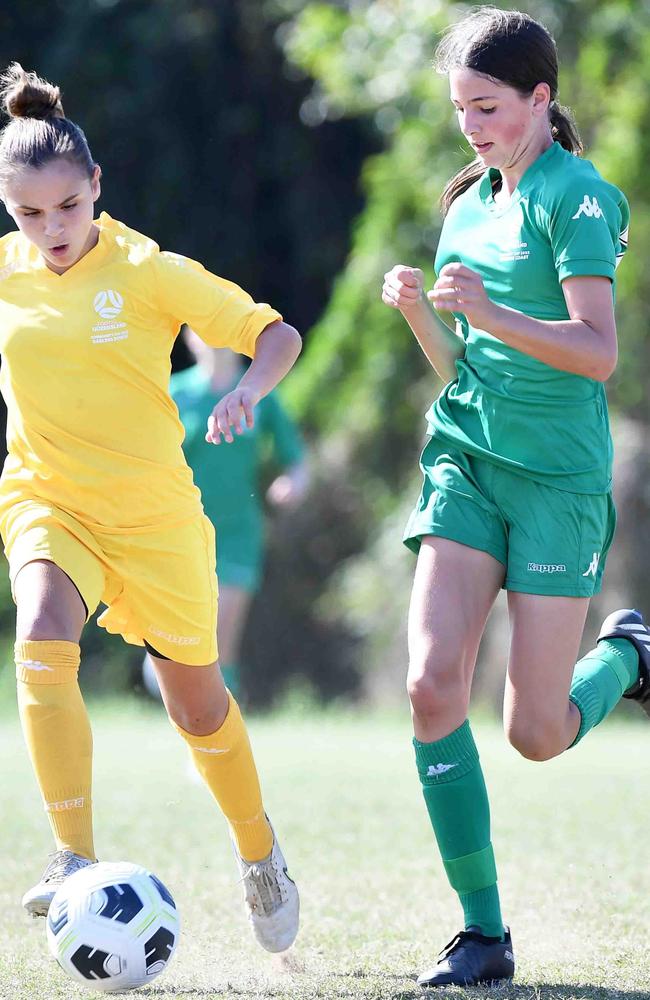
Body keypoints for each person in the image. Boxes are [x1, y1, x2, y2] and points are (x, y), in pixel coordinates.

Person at [0, 63, 302, 954]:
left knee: (197, 708)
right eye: (28, 213)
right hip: (48, 499)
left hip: (156, 518)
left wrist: (249, 393)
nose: (51, 229)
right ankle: (70, 857)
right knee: (42, 638)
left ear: (96, 187)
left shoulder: (148, 269)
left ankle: (260, 854)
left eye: (66, 207)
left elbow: (275, 333)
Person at [382, 7, 647, 988]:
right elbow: (461, 366)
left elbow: (594, 351)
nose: (471, 127)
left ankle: (624, 654)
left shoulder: (576, 199)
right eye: (458, 110)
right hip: (465, 463)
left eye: (486, 107)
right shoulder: (466, 204)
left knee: (533, 732)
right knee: (425, 684)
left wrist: (490, 309)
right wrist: (423, 315)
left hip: (555, 485)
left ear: (541, 99)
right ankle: (481, 932)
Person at [142, 328, 309, 701]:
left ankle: (217, 741)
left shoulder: (260, 394)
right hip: (178, 534)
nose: (211, 338)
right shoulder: (173, 392)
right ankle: (172, 677)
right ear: (189, 341)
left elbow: (295, 459)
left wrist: (292, 483)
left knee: (219, 642)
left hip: (237, 534)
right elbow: (144, 457)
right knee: (185, 644)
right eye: (201, 330)